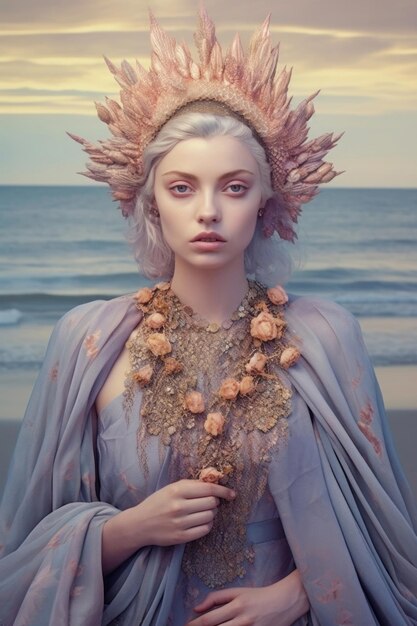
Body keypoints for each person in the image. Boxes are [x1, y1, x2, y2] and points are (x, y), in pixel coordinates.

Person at [0, 7, 416, 626]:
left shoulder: (326, 337)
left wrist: (300, 593)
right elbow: (25, 551)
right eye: (182, 187)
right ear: (149, 202)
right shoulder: (88, 341)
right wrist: (126, 530)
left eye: (235, 186)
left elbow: (385, 535)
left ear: (267, 200)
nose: (209, 211)